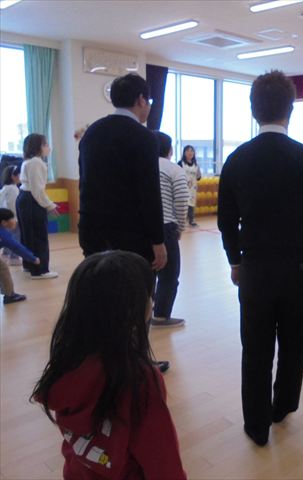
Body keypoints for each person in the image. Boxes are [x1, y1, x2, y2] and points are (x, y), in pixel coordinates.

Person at [217, 70, 303, 447]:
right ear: (291, 109)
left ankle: (256, 426)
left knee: (255, 349)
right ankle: (283, 405)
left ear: (253, 109)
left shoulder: (237, 160)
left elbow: (225, 220)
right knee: (292, 343)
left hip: (255, 271)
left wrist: (234, 260)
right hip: (302, 270)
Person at [31, 251, 186, 480]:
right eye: (149, 295)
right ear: (132, 309)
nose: (152, 303)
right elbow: (163, 461)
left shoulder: (66, 361)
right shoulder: (139, 378)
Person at [78, 73, 170, 372]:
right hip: (133, 236)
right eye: (149, 101)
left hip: (93, 232)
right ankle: (137, 362)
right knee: (138, 299)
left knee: (100, 296)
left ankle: (103, 361)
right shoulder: (144, 137)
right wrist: (158, 240)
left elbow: (84, 185)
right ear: (141, 100)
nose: (149, 107)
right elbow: (148, 193)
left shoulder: (92, 133)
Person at [152, 131, 189, 328]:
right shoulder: (173, 169)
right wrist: (180, 227)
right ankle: (160, 316)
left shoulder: (139, 165)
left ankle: (140, 312)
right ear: (170, 150)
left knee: (143, 271)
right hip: (166, 227)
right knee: (169, 273)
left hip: (139, 228)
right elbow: (182, 199)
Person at [16, 134, 58, 279]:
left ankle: (29, 264)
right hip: (30, 200)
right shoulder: (36, 162)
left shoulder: (29, 161)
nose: (48, 147)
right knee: (38, 235)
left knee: (28, 234)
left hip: (24, 198)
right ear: (37, 147)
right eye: (45, 144)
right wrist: (50, 205)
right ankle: (39, 270)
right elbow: (37, 190)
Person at [0, 208, 39, 304]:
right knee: (3, 269)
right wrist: (33, 258)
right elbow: (17, 247)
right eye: (12, 219)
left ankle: (9, 294)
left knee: (2, 268)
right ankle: (10, 295)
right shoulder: (3, 234)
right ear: (4, 222)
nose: (14, 221)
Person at [0, 165, 21, 265]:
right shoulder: (12, 189)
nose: (20, 176)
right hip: (12, 218)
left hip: (6, 218)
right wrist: (14, 218)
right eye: (19, 174)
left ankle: (5, 254)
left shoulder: (5, 188)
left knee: (8, 236)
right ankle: (14, 257)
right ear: (13, 176)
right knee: (15, 237)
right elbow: (13, 204)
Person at [177, 145, 202, 227]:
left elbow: (198, 177)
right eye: (187, 151)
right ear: (184, 153)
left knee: (191, 204)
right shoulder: (180, 163)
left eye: (191, 151)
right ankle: (180, 221)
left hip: (192, 188)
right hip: (182, 187)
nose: (190, 153)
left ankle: (191, 220)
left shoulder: (196, 165)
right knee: (182, 205)